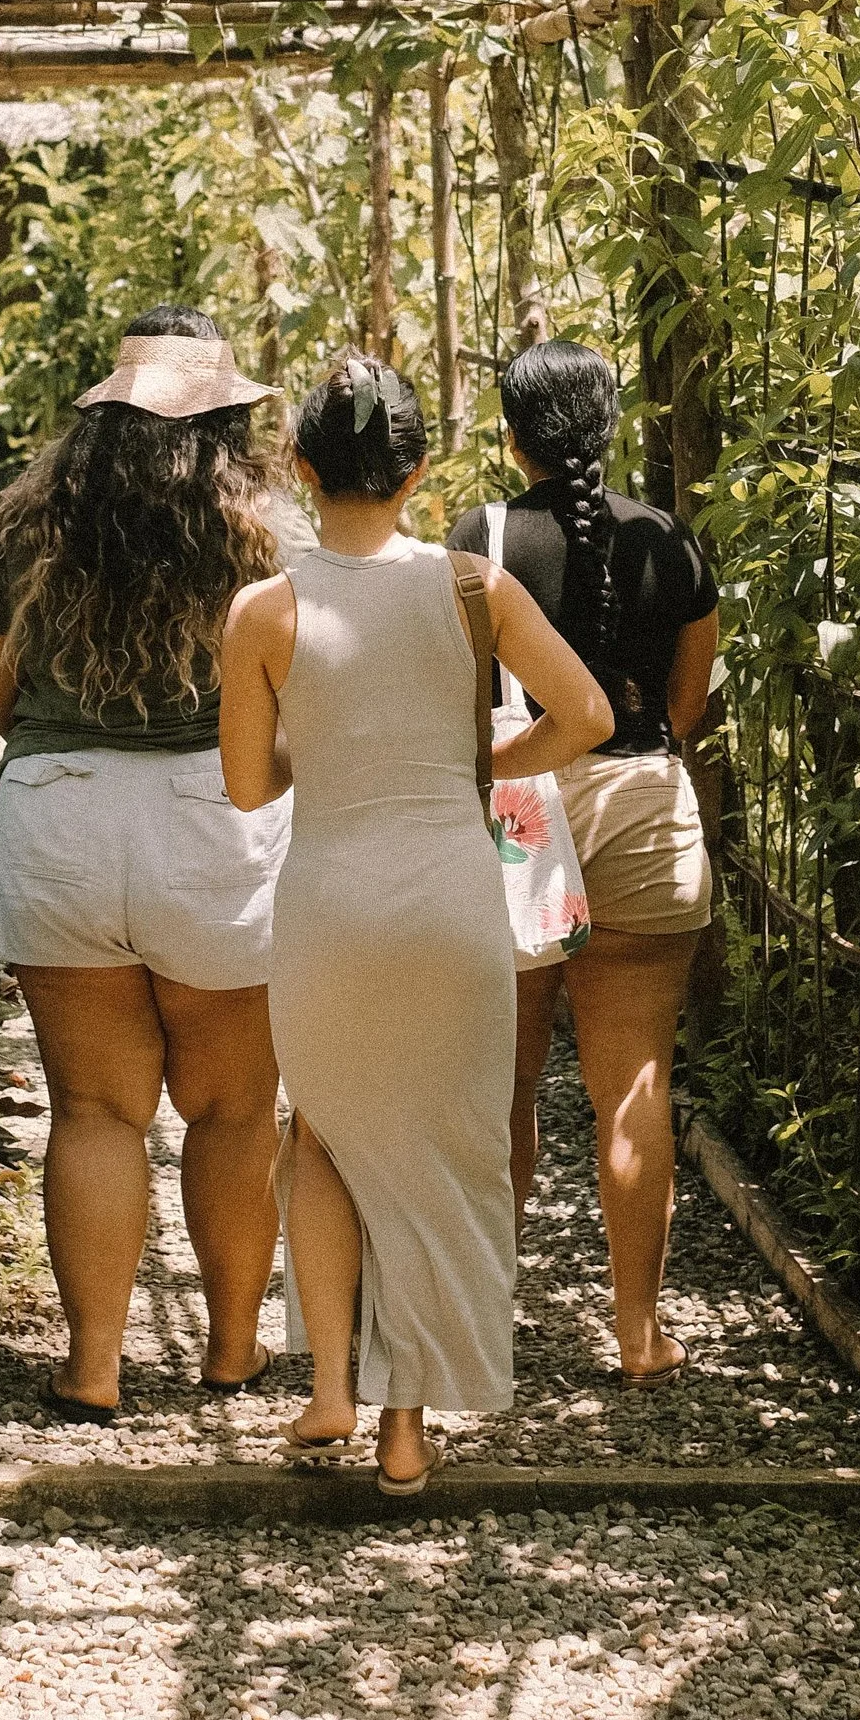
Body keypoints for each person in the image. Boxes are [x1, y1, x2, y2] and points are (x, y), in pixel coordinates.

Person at [221, 353, 610, 1497]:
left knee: (329, 1138)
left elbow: (250, 788)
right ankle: (405, 1428)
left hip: (330, 906)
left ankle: (328, 1387)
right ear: (421, 470)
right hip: (450, 901)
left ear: (296, 468)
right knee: (443, 1157)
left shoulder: (265, 610)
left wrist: (335, 745)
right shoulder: (470, 588)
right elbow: (584, 714)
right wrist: (482, 758)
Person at [0, 310, 293, 1421]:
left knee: (96, 1110)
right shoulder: (261, 532)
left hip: (60, 820)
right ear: (226, 423)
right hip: (216, 819)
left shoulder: (26, 525)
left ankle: (93, 1367)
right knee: (236, 1105)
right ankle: (233, 1350)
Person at [448, 339, 721, 1385]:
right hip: (646, 802)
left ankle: (482, 1319)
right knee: (634, 1084)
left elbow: (459, 691)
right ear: (606, 429)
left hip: (521, 802)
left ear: (510, 434)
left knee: (505, 1082)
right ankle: (641, 1333)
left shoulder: (479, 538)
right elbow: (687, 708)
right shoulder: (670, 542)